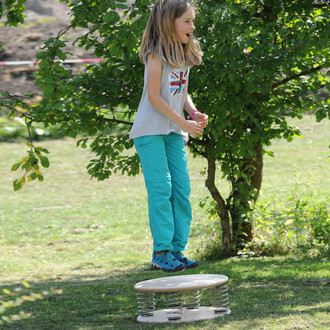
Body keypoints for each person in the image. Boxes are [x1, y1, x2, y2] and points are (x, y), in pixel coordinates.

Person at [129, 0, 208, 272]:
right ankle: (160, 251)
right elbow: (154, 97)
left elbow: (180, 90)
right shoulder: (155, 54)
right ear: (169, 23)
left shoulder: (183, 54)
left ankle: (176, 251)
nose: (192, 26)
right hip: (150, 131)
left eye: (192, 20)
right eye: (187, 21)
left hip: (174, 131)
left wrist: (193, 112)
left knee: (181, 189)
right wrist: (184, 123)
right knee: (161, 190)